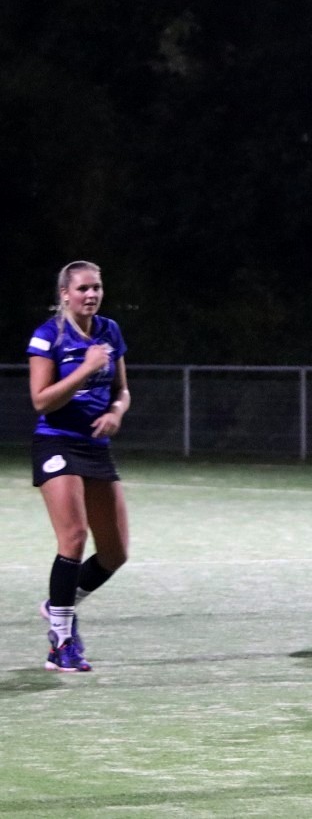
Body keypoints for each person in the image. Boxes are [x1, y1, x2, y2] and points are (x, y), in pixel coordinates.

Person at [28, 260, 132, 673]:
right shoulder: (47, 336)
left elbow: (122, 390)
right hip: (56, 440)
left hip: (95, 446)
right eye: (83, 288)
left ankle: (59, 604)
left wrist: (116, 412)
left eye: (97, 288)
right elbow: (41, 400)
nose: (91, 295)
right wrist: (86, 368)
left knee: (115, 553)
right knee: (73, 536)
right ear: (65, 294)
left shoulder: (110, 331)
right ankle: (61, 642)